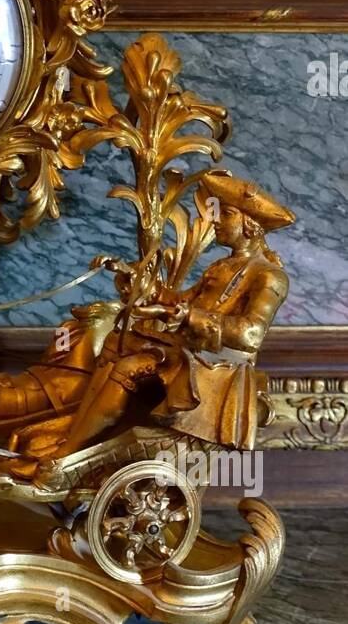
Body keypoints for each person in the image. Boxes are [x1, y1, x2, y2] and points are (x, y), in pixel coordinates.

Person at [16, 171, 295, 461]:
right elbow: (181, 300)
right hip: (190, 351)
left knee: (129, 367)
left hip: (215, 367)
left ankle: (68, 452)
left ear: (250, 224)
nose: (215, 221)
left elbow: (250, 334)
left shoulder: (269, 277)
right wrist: (135, 278)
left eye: (225, 214)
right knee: (115, 343)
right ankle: (79, 434)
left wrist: (187, 316)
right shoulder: (222, 267)